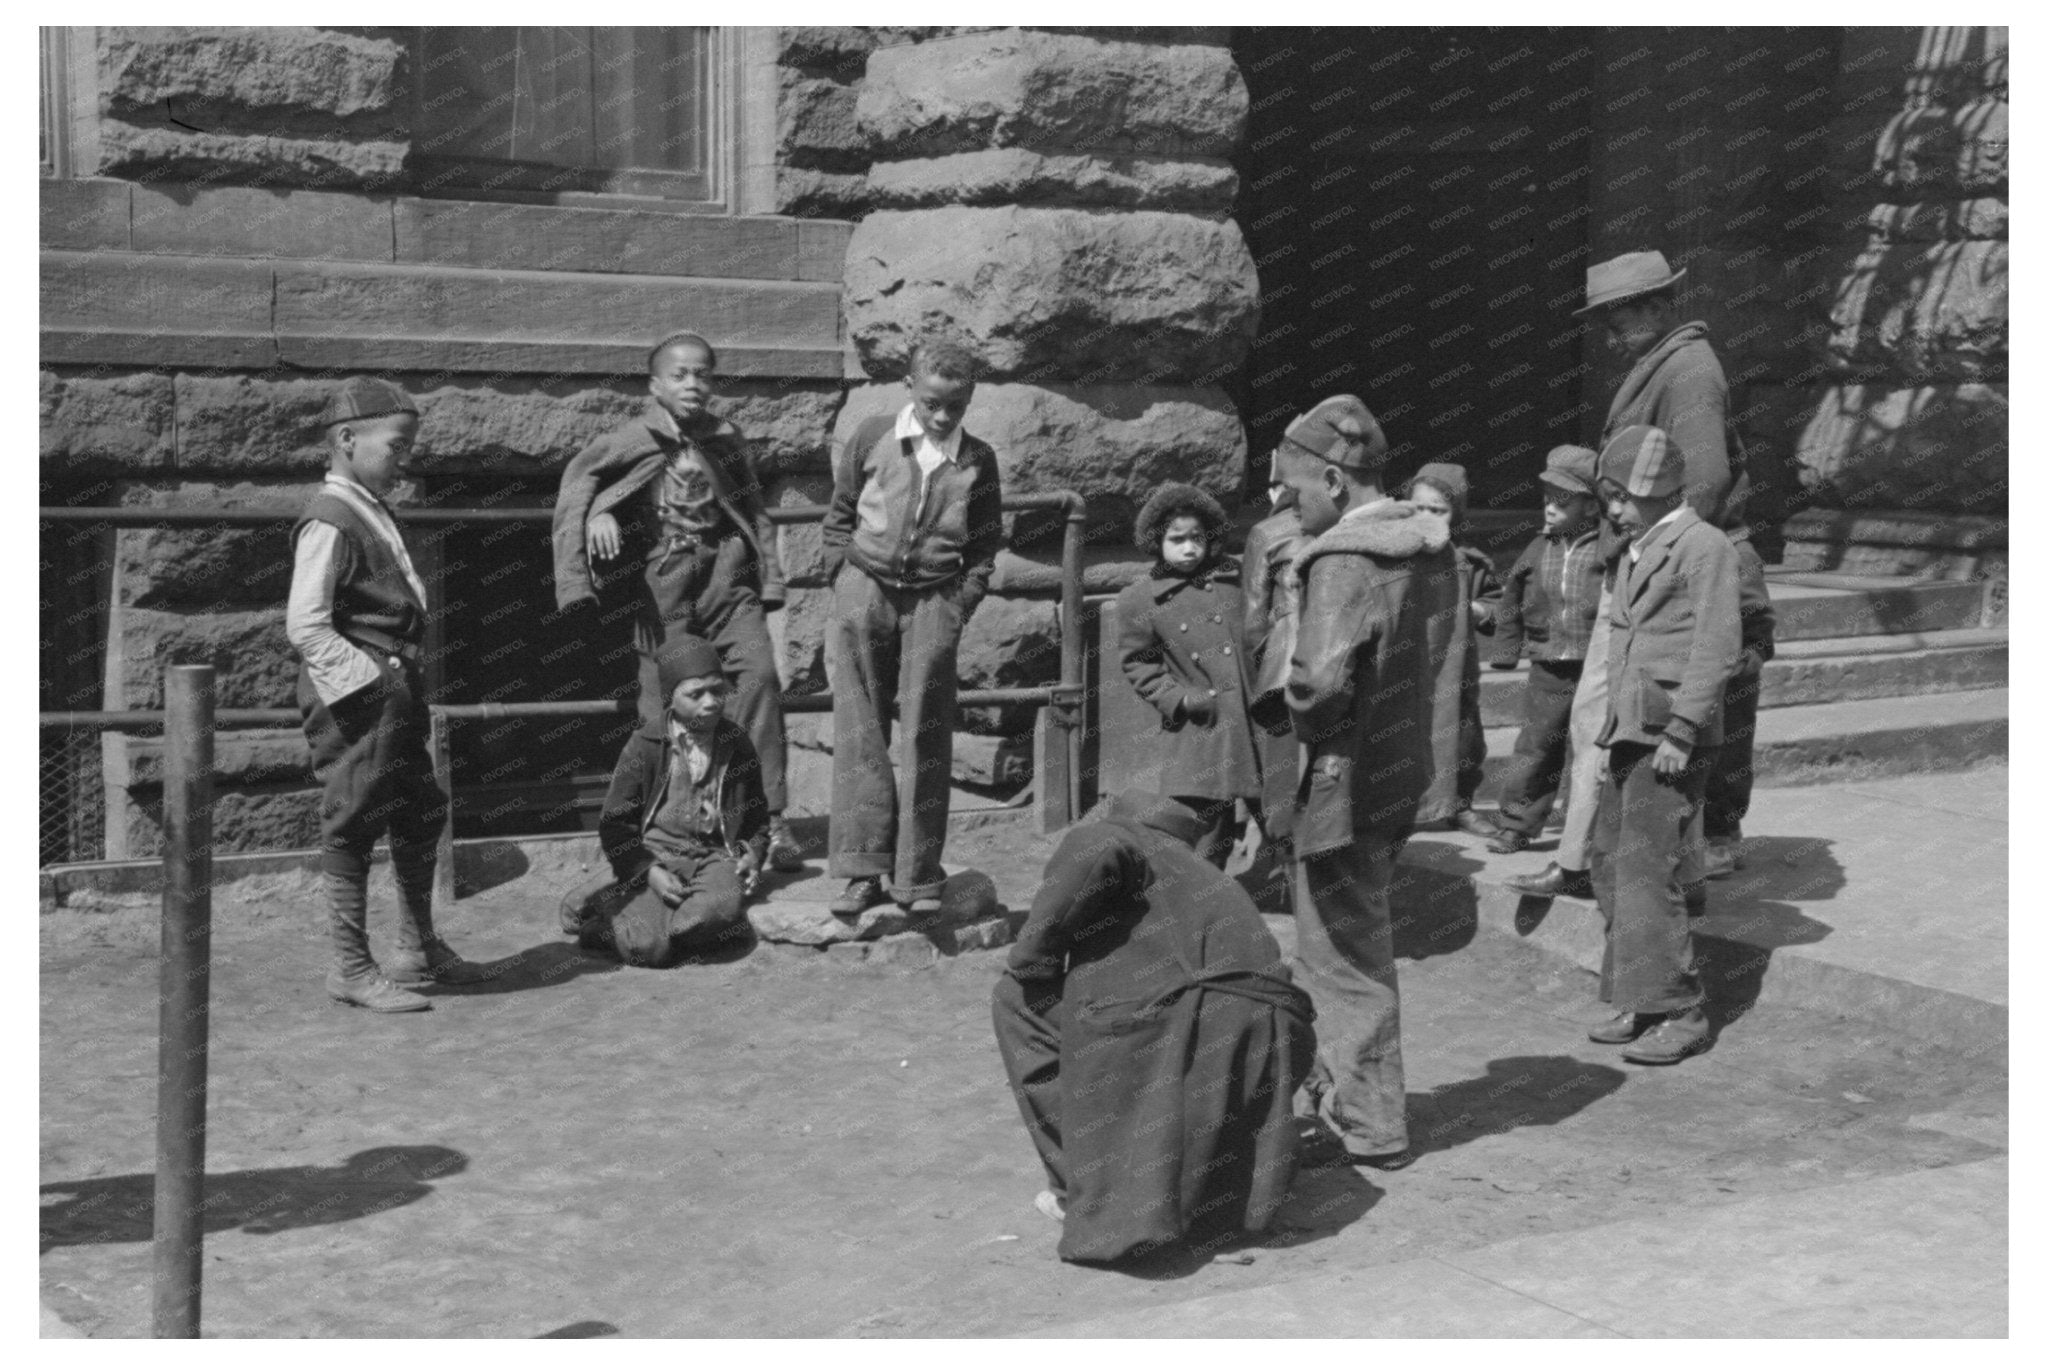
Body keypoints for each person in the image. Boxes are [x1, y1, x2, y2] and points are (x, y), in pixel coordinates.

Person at [1508, 249, 1772, 899]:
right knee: (1608, 717)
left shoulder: (1687, 370)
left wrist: (1643, 559)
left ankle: (1642, 857)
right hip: (1649, 559)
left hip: (1668, 566)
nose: (1609, 330)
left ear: (1657, 306)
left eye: (1618, 314)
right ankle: (1592, 857)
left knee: (1659, 715)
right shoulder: (1665, 365)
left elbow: (1703, 481)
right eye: (1605, 317)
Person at [991, 789, 1316, 1264]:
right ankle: (1205, 1201)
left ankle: (1084, 1190)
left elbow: (1097, 853)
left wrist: (1033, 959)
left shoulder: (1113, 837)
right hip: (1277, 1031)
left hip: (1200, 1019)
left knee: (1016, 1000)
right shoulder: (1200, 871)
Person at [1275, 395, 1458, 1169]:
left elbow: (1318, 686)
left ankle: (1372, 1121)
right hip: (1395, 769)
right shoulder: (1420, 547)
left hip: (1341, 782)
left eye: (1295, 486)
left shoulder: (1344, 560)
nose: (1286, 500)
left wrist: (1286, 684)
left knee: (1342, 954)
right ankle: (1348, 1100)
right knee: (1353, 939)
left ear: (1335, 480)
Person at [551, 332, 803, 875]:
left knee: (759, 677)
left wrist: (772, 581)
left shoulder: (726, 438)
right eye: (680, 375)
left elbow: (753, 508)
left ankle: (769, 820)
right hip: (664, 582)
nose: (694, 385)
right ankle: (659, 827)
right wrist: (598, 519)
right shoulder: (628, 439)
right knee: (665, 702)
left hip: (728, 577)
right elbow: (579, 488)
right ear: (655, 384)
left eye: (704, 375)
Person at [285, 376, 490, 1012]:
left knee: (418, 808)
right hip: (360, 694)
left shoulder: (370, 506)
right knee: (353, 816)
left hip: (394, 687)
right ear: (347, 439)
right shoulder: (330, 518)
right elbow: (306, 623)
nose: (405, 459)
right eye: (396, 447)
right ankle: (350, 966)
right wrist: (369, 685)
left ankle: (417, 948)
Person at [820, 338, 1004, 917]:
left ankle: (916, 876)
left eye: (956, 405)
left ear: (970, 397)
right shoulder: (874, 434)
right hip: (865, 589)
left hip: (933, 600)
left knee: (926, 731)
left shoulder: (978, 459)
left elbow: (984, 541)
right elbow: (841, 511)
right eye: (932, 403)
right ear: (910, 387)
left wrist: (960, 601)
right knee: (860, 730)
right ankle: (861, 869)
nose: (943, 416)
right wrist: (841, 577)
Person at [1586, 426, 1742, 1065]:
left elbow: (1717, 644)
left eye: (1621, 497)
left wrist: (1682, 729)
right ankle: (1642, 996)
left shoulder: (1702, 547)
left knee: (1655, 872)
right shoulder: (1637, 547)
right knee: (1610, 864)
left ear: (1655, 492)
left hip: (1669, 736)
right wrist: (1607, 732)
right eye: (1610, 498)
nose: (1614, 510)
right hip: (1631, 731)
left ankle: (1682, 1008)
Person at [559, 634, 769, 968]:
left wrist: (752, 853)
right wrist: (650, 872)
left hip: (713, 858)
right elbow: (615, 824)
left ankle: (635, 905)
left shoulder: (737, 743)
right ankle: (607, 915)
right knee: (648, 950)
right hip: (655, 854)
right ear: (671, 698)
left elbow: (758, 817)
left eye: (717, 690)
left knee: (703, 918)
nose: (711, 702)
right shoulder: (645, 745)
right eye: (695, 694)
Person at [1113, 482, 1261, 868]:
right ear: (1157, 541)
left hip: (1255, 719)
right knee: (1205, 833)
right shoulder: (1142, 600)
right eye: (1176, 539)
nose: (1189, 548)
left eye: (1197, 537)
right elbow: (1138, 663)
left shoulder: (1237, 579)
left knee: (1281, 815)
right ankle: (1198, 907)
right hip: (1203, 726)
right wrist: (1179, 698)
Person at [1485, 445, 1605, 854]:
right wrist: (1506, 651)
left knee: (1591, 748)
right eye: (1546, 500)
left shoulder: (1608, 548)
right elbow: (1511, 598)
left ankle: (1586, 831)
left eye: (1562, 501)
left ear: (1591, 507)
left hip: (1597, 665)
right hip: (1549, 665)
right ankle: (1515, 824)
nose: (1550, 509)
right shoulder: (1539, 548)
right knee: (1536, 745)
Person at [1401, 463, 1503, 837]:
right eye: (1419, 508)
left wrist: (1479, 610)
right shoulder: (1394, 554)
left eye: (1438, 510)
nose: (1426, 516)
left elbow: (1498, 603)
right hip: (1408, 665)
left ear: (1455, 514)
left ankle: (1459, 805)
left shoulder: (1469, 562)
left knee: (1462, 737)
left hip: (1455, 667)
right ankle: (1404, 808)